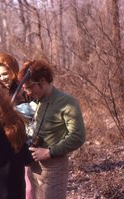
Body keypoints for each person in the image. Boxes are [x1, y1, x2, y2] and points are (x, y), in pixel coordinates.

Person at [18, 60, 86, 199]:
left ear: (42, 81)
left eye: (30, 88)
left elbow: (78, 136)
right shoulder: (39, 102)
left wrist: (50, 152)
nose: (29, 93)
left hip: (54, 168)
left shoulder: (67, 102)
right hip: (34, 166)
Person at [0, 51, 34, 199]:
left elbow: (36, 116)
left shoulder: (26, 89)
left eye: (5, 73)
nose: (3, 78)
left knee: (28, 189)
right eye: (0, 75)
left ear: (13, 70)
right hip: (5, 147)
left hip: (26, 143)